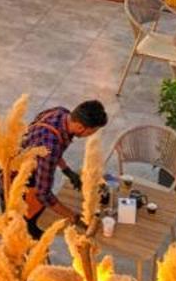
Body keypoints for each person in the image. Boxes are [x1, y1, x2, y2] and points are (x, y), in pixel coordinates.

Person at [14, 99, 108, 237]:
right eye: (92, 131)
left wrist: (67, 171)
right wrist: (73, 217)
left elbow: (49, 148)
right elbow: (43, 195)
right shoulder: (51, 146)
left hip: (30, 163)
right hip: (17, 185)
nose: (91, 135)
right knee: (37, 230)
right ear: (81, 127)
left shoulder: (61, 113)